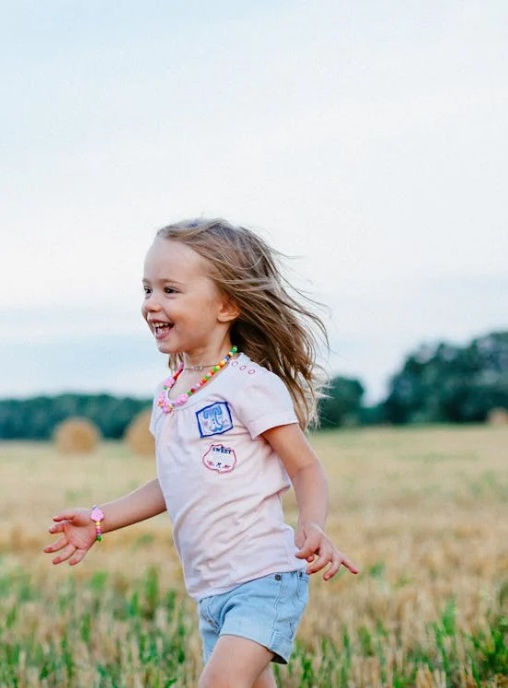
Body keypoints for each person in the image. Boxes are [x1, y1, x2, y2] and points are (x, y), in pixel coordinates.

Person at [44, 218, 358, 688]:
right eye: (147, 289)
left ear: (226, 305)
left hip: (263, 580)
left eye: (171, 290)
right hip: (211, 591)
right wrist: (99, 519)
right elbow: (172, 482)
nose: (152, 303)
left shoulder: (250, 385)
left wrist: (312, 525)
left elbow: (304, 465)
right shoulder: (170, 393)